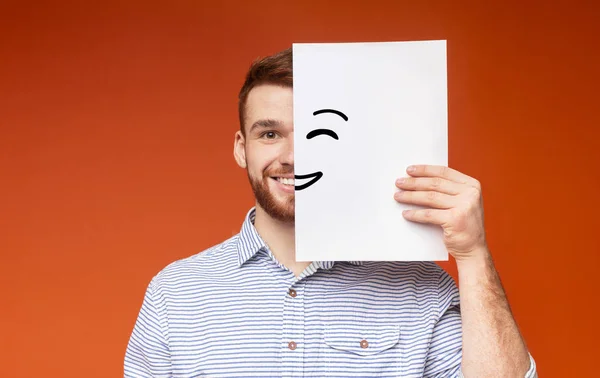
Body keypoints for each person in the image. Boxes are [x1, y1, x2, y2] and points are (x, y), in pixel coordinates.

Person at [124, 47, 537, 377]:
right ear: (240, 148)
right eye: (270, 134)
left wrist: (473, 253)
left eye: (316, 134)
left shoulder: (420, 289)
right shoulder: (175, 294)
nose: (291, 157)